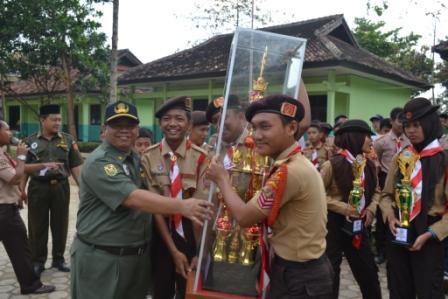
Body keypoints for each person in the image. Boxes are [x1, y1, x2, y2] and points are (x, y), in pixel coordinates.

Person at [70, 100, 213, 299]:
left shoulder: (134, 158)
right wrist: (183, 205)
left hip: (135, 257)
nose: (124, 131)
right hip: (103, 259)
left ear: (138, 129)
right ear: (104, 130)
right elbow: (132, 197)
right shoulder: (100, 161)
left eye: (129, 125)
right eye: (117, 126)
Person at [207, 94, 333, 299]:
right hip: (298, 270)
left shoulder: (289, 172)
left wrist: (222, 179)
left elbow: (245, 217)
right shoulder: (290, 164)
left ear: (291, 128)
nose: (256, 135)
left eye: (265, 127)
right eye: (254, 127)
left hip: (301, 277)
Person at [141, 96, 208, 299]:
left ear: (188, 125)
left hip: (190, 234)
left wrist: (199, 252)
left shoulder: (202, 158)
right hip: (160, 233)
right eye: (167, 119)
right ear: (160, 124)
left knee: (188, 291)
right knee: (161, 290)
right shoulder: (147, 157)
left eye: (179, 119)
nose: (172, 124)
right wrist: (172, 250)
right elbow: (154, 208)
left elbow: (200, 211)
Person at [380, 97, 447, 299]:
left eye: (416, 125)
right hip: (399, 229)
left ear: (430, 124)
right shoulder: (402, 157)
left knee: (429, 290)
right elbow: (385, 195)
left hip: (429, 234)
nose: (410, 130)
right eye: (407, 125)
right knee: (399, 288)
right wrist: (390, 216)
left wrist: (431, 233)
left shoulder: (443, 159)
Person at [320, 119, 382, 299]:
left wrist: (370, 209)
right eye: (367, 137)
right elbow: (316, 196)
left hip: (359, 225)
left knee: (369, 272)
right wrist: (344, 208)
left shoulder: (369, 164)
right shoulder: (331, 165)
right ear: (355, 138)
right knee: (331, 273)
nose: (371, 141)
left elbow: (377, 191)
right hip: (334, 226)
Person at [21, 104, 83, 276]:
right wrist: (21, 189)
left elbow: (76, 166)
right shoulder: (30, 142)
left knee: (60, 224)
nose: (58, 123)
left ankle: (58, 259)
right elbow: (24, 168)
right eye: (54, 119)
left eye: (59, 119)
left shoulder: (68, 140)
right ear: (42, 120)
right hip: (37, 188)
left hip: (61, 187)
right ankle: (37, 261)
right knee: (36, 226)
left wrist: (83, 188)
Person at [0, 120, 55, 295]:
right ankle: (31, 285)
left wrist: (42, 165)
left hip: (6, 207)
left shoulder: (2, 153)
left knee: (20, 248)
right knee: (20, 249)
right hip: (4, 211)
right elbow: (15, 177)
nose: (11, 134)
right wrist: (22, 156)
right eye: (8, 130)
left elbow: (17, 170)